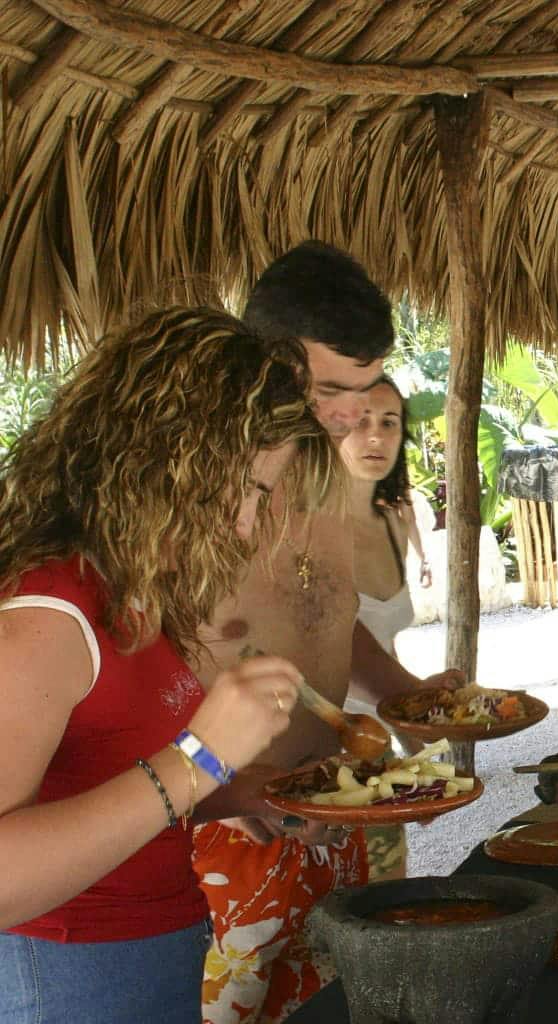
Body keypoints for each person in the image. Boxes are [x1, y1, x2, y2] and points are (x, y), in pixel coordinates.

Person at [0, 308, 322, 1023]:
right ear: (161, 462)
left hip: (153, 950)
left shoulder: (130, 593)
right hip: (66, 972)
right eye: (242, 489)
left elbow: (115, 781)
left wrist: (263, 792)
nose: (245, 525)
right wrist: (200, 760)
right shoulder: (48, 614)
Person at [191, 243, 464, 1024]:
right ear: (264, 362)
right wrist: (224, 790)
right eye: (332, 391)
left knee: (344, 1009)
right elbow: (146, 670)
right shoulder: (193, 488)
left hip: (335, 816)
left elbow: (331, 617)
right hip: (227, 831)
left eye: (366, 390)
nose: (351, 416)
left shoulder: (324, 470)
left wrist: (406, 694)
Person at [337, 375, 426, 882]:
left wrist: (413, 743)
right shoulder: (306, 526)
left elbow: (382, 652)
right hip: (318, 762)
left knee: (386, 901)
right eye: (359, 421)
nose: (375, 436)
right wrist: (419, 709)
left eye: (388, 422)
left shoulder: (391, 523)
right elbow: (336, 654)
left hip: (375, 750)